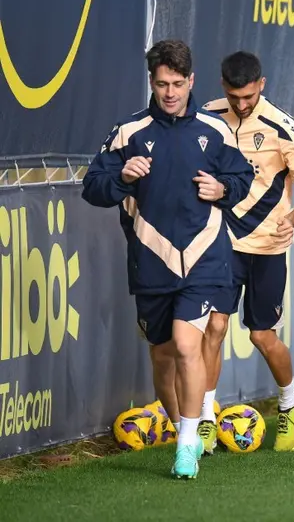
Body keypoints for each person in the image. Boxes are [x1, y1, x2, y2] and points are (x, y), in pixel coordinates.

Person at [81, 39, 253, 478]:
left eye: (178, 83)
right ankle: (183, 431)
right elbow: (93, 187)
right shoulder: (129, 132)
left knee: (186, 344)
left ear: (191, 81)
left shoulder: (214, 129)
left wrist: (223, 189)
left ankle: (187, 445)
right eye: (162, 84)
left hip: (204, 258)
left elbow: (242, 175)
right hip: (151, 260)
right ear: (152, 83)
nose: (170, 92)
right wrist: (123, 176)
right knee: (162, 354)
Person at [199, 51, 294, 453]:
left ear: (261, 85)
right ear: (223, 87)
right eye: (235, 97)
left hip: (268, 246)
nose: (242, 104)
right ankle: (204, 418)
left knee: (262, 335)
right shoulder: (208, 117)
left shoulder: (282, 127)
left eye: (249, 96)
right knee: (214, 327)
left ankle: (289, 401)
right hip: (221, 243)